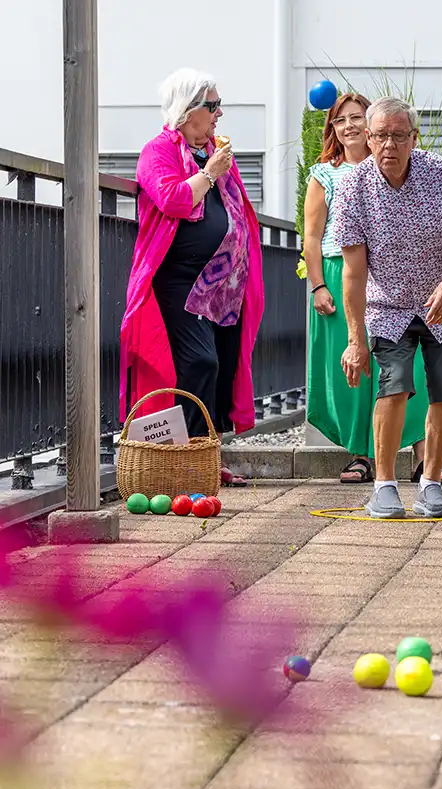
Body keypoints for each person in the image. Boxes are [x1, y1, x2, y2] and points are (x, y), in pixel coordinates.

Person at [334, 97, 442, 519]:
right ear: (367, 137)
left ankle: (431, 484)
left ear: (413, 138)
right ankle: (384, 486)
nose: (389, 145)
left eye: (399, 136)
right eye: (380, 135)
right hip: (388, 305)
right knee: (394, 384)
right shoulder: (354, 187)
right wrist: (354, 339)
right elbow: (352, 272)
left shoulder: (441, 174)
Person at [119, 68, 263, 487]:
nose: (220, 114)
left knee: (221, 369)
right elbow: (173, 199)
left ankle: (203, 459)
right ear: (188, 110)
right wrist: (211, 172)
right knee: (199, 361)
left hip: (221, 285)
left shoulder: (213, 152)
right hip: (179, 280)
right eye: (213, 105)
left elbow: (237, 214)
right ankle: (177, 459)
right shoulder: (158, 150)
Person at [303, 93, 442, 486]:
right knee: (359, 370)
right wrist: (318, 284)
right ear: (335, 129)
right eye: (341, 120)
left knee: (410, 368)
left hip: (393, 278)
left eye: (356, 118)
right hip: (342, 274)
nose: (349, 126)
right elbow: (312, 237)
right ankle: (361, 455)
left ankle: (422, 454)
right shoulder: (325, 175)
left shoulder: (413, 172)